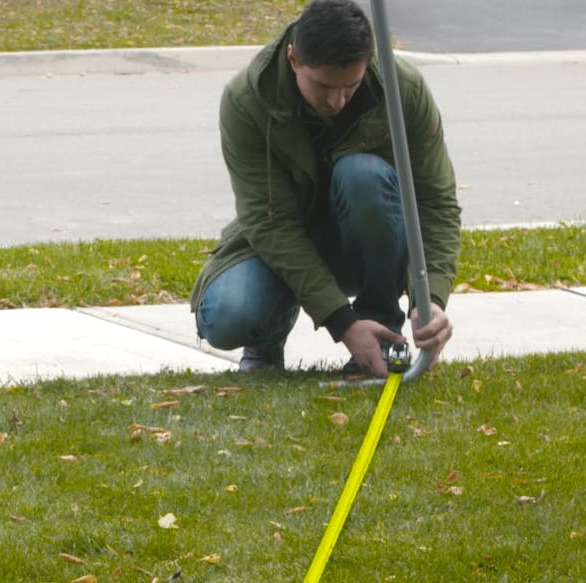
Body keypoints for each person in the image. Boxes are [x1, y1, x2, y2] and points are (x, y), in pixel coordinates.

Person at [190, 0, 461, 378]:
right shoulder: (246, 100)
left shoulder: (403, 88)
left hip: (368, 242)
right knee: (229, 313)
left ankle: (381, 331)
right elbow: (270, 224)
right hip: (284, 241)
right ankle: (266, 340)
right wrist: (342, 323)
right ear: (293, 59)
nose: (337, 101)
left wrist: (430, 299)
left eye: (350, 87)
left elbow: (436, 202)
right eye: (324, 86)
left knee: (361, 175)